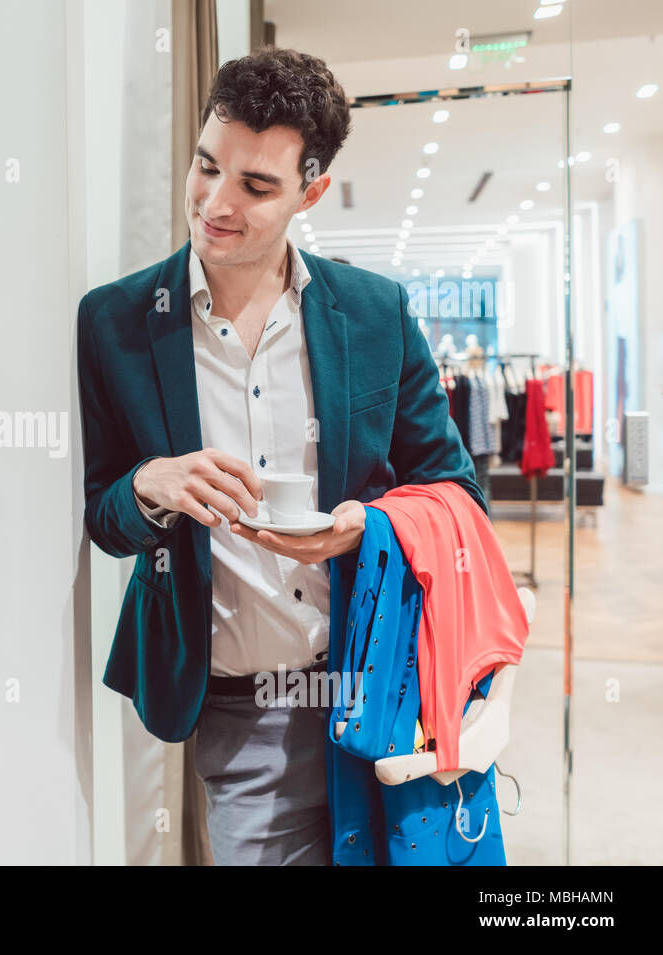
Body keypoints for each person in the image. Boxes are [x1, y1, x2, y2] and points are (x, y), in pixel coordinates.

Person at [75, 46, 486, 865]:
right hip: (239, 705)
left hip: (384, 685)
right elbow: (104, 516)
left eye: (256, 186)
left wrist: (364, 527)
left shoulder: (375, 313)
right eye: (205, 166)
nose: (215, 203)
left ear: (312, 190)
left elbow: (455, 491)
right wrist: (150, 486)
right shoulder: (115, 322)